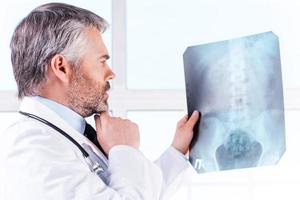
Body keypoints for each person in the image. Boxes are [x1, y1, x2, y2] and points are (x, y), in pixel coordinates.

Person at [0, 2, 200, 200]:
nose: (111, 73)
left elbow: (140, 192)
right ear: (61, 67)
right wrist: (124, 149)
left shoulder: (69, 136)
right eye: (102, 61)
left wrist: (178, 150)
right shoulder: (33, 149)